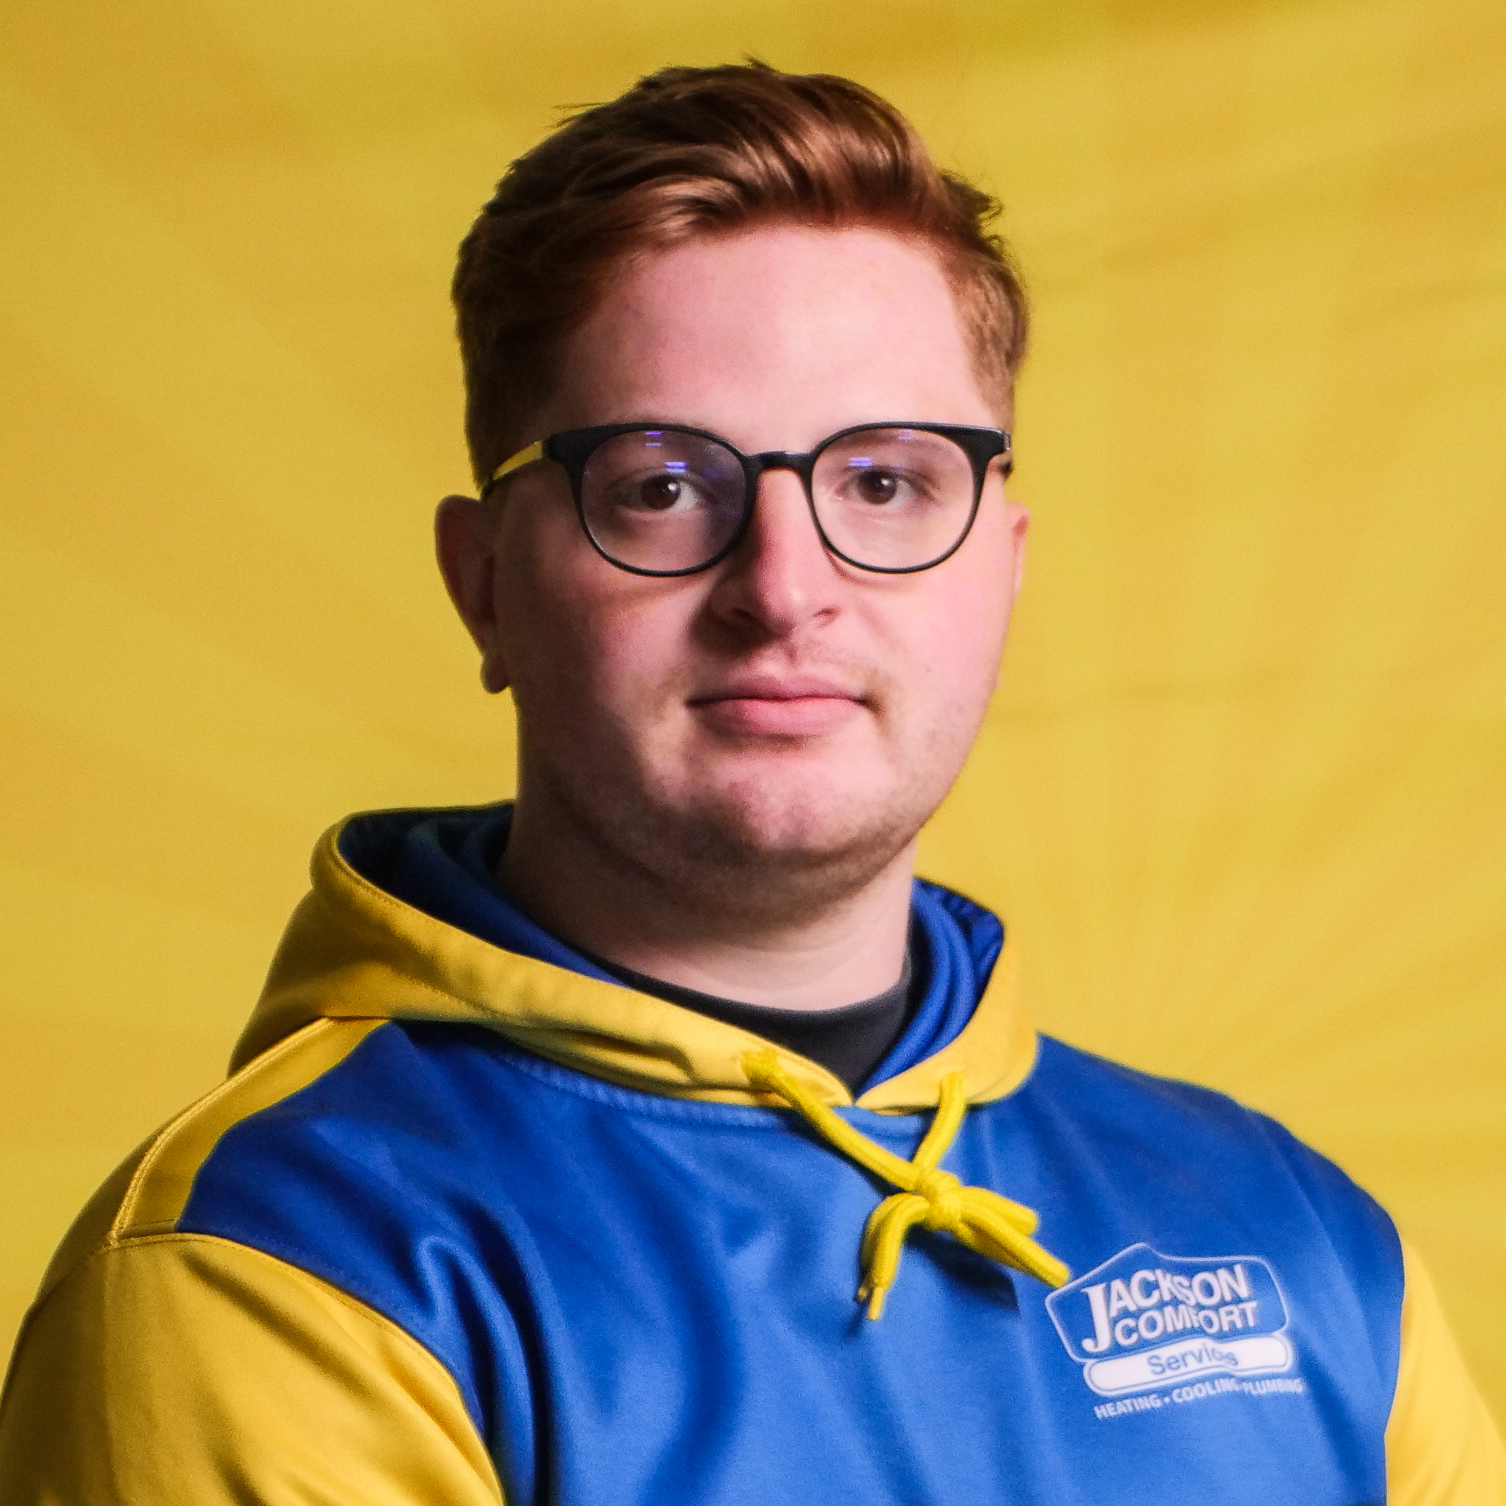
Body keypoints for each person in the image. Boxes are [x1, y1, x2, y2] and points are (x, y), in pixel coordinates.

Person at [0, 61, 1500, 1506]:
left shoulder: (1294, 1240)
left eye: (885, 482)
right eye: (660, 484)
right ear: (485, 589)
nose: (784, 588)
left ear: (1004, 569)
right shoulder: (280, 1268)